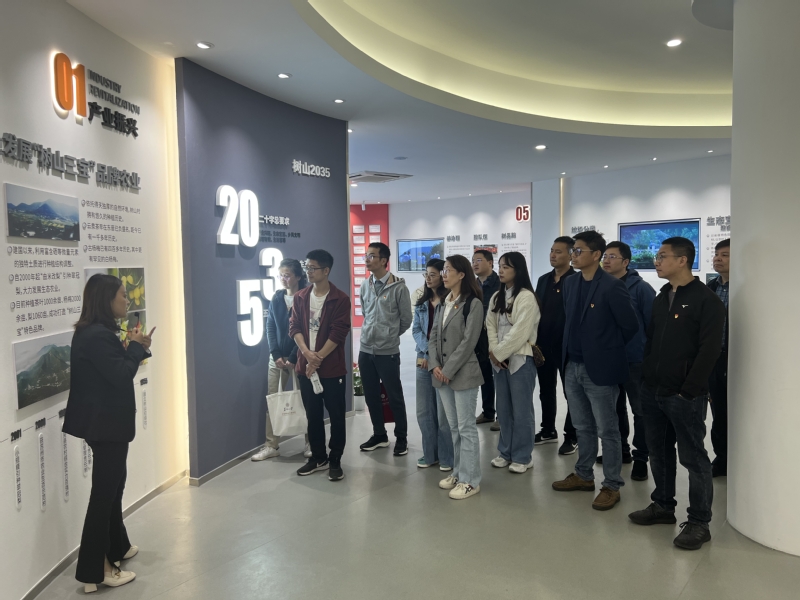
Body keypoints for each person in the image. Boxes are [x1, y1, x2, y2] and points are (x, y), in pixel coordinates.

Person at [629, 237, 725, 550]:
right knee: (658, 451)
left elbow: (710, 350)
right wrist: (646, 380)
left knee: (693, 458)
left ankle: (699, 522)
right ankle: (662, 505)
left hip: (684, 395)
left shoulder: (706, 300)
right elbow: (651, 341)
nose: (656, 261)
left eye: (662, 256)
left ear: (682, 260)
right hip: (653, 390)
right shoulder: (661, 297)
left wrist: (689, 391)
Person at [62, 274, 154, 593]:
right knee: (104, 495)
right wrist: (135, 348)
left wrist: (136, 347)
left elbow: (114, 369)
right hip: (106, 426)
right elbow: (121, 374)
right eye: (122, 295)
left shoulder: (94, 332)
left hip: (105, 425)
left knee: (114, 487)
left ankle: (117, 546)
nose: (126, 300)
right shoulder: (98, 336)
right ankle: (95, 570)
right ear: (107, 299)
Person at [552, 230, 639, 511]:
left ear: (596, 255)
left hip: (600, 368)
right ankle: (583, 474)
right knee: (582, 425)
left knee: (608, 429)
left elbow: (630, 326)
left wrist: (606, 349)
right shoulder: (570, 283)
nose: (574, 255)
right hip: (572, 365)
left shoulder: (612, 286)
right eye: (573, 251)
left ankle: (612, 485)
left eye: (579, 251)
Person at [289, 249, 352, 481]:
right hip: (306, 367)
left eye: (313, 268)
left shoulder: (340, 299)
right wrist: (307, 354)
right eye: (307, 267)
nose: (309, 271)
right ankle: (318, 457)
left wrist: (318, 359)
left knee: (336, 416)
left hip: (331, 368)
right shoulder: (300, 297)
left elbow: (339, 333)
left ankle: (335, 459)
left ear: (326, 270)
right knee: (313, 416)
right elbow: (294, 327)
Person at [429, 255, 485, 499]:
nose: (444, 274)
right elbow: (433, 336)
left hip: (462, 374)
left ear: (461, 274)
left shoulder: (473, 303)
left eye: (448, 270)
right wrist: (434, 365)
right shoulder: (443, 302)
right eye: (443, 270)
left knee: (466, 427)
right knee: (453, 427)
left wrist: (447, 369)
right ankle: (459, 472)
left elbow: (469, 342)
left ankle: (471, 480)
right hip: (441, 374)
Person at [598, 241, 655, 481]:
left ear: (626, 262)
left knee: (640, 411)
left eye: (612, 256)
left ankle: (641, 457)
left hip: (635, 360)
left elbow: (653, 326)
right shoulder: (600, 286)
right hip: (609, 359)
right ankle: (620, 450)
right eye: (605, 256)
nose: (606, 260)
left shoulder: (641, 289)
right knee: (614, 409)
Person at [486, 252, 542, 474]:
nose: (500, 270)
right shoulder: (496, 296)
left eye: (506, 267)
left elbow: (520, 332)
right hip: (499, 361)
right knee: (503, 410)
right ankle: (505, 452)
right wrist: (495, 352)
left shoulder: (527, 297)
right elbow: (490, 325)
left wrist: (499, 353)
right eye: (500, 266)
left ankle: (522, 456)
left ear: (518, 270)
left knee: (522, 410)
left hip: (520, 360)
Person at [252, 258, 310, 461]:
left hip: (301, 357)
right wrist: (275, 354)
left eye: (287, 275)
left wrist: (294, 356)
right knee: (273, 401)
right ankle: (271, 445)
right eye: (280, 275)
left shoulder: (306, 297)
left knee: (306, 400)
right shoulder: (277, 298)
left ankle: (311, 442)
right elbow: (270, 327)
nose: (283, 279)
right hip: (276, 359)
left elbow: (306, 330)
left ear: (298, 276)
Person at [358, 242, 413, 456]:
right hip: (365, 350)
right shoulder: (365, 285)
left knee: (394, 395)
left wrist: (389, 335)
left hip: (387, 352)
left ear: (383, 260)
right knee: (371, 395)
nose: (367, 260)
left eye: (372, 256)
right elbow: (366, 312)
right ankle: (379, 435)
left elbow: (406, 319)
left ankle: (401, 437)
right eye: (366, 256)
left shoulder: (398, 287)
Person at [534, 236, 579, 453]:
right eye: (552, 250)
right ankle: (548, 430)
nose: (553, 255)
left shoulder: (576, 280)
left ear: (571, 255)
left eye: (558, 252)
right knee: (546, 390)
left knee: (572, 393)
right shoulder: (544, 280)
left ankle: (572, 435)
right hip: (543, 344)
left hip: (566, 347)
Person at [412, 259, 454, 470]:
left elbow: (450, 335)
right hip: (423, 361)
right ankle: (430, 454)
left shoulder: (451, 302)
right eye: (426, 274)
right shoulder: (422, 302)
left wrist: (434, 356)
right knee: (424, 411)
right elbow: (416, 330)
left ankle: (447, 457)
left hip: (443, 362)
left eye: (433, 274)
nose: (428, 278)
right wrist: (428, 352)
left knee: (443, 413)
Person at [707, 238, 730, 477]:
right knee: (718, 412)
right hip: (715, 358)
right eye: (717, 254)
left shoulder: (745, 287)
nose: (718, 258)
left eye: (725, 255)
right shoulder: (710, 287)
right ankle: (721, 459)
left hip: (738, 358)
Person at [472, 249, 501, 426]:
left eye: (479, 260)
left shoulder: (500, 284)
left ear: (490, 263)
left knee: (500, 375)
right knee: (484, 375)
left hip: (497, 336)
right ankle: (488, 412)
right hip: (479, 337)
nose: (474, 264)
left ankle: (502, 416)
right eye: (473, 261)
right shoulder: (472, 285)